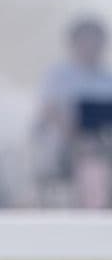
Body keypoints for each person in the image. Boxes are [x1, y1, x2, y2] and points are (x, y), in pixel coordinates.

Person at [35, 18, 112, 207]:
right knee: (90, 154)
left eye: (96, 41)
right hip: (67, 143)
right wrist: (75, 136)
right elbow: (49, 110)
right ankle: (93, 208)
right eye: (86, 41)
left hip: (103, 139)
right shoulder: (59, 75)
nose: (91, 46)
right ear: (74, 43)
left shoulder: (106, 77)